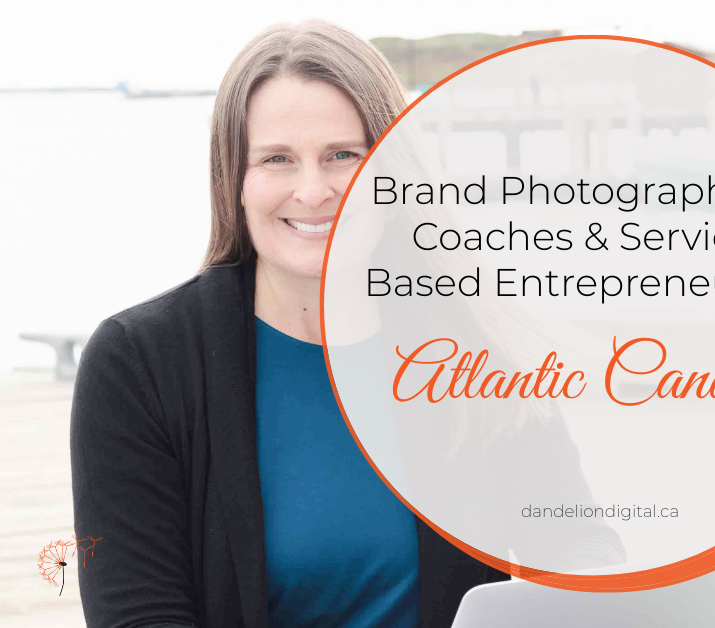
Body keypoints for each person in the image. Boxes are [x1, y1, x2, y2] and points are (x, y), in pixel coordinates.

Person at [69, 19, 624, 628]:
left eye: (343, 156)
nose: (313, 191)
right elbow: (137, 615)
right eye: (277, 159)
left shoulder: (475, 342)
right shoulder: (138, 364)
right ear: (235, 181)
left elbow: (578, 544)